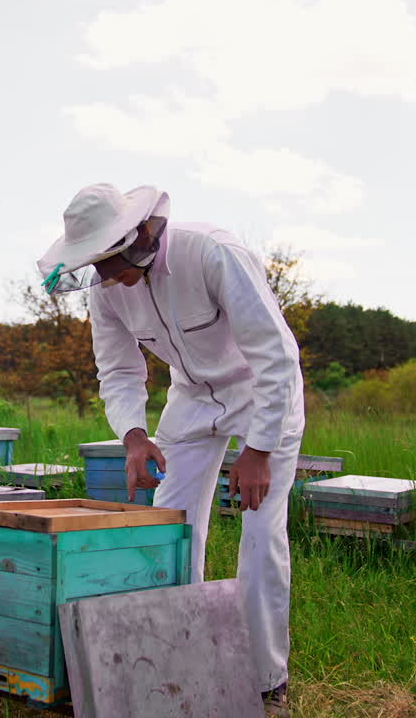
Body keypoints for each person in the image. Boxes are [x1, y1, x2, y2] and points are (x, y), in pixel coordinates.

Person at [38, 183, 305, 717]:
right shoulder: (105, 291)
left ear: (139, 235)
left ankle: (266, 678)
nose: (110, 276)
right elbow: (117, 369)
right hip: (189, 396)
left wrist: (259, 450)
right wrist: (134, 436)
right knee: (172, 525)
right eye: (99, 266)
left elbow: (276, 354)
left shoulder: (212, 253)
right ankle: (187, 654)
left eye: (113, 261)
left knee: (260, 530)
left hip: (260, 392)